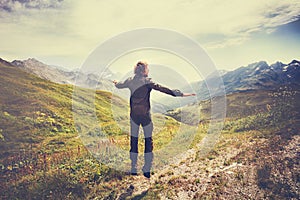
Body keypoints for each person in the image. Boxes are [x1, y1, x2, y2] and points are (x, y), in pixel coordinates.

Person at [113, 61, 195, 178]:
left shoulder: (130, 80)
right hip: (146, 116)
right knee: (148, 140)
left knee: (134, 140)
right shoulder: (148, 82)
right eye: (147, 68)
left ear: (136, 70)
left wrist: (115, 82)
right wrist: (180, 94)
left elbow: (119, 85)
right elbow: (163, 89)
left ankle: (133, 168)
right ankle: (147, 168)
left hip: (134, 116)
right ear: (144, 70)